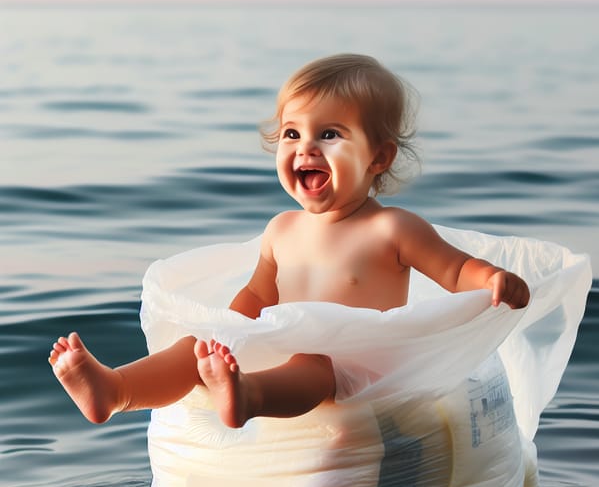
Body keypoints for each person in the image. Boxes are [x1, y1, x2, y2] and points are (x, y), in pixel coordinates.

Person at [49, 54, 530, 430]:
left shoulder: (393, 229)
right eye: (292, 133)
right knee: (195, 345)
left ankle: (247, 397)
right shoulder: (282, 229)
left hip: (359, 363)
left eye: (330, 134)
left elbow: (454, 270)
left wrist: (493, 278)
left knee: (315, 365)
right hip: (286, 343)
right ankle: (115, 390)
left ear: (378, 157)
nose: (306, 147)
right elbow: (259, 296)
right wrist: (227, 331)